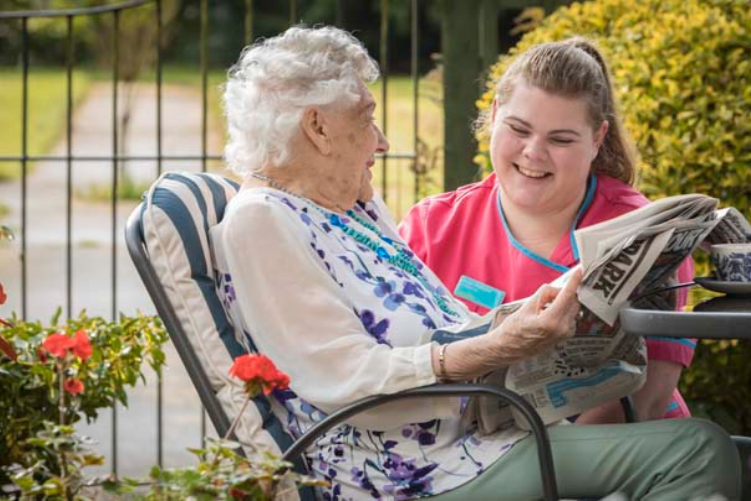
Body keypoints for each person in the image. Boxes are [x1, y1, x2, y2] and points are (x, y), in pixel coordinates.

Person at [211, 26, 739, 500]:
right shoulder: (264, 219)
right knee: (701, 451)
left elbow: (437, 330)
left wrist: (514, 327)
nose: (383, 140)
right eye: (367, 118)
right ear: (318, 129)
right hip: (415, 466)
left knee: (697, 447)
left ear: (595, 139)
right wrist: (499, 344)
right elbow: (349, 377)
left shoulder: (352, 210)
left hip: (473, 437)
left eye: (560, 138)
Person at [400, 38, 695, 424]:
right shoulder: (430, 226)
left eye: (560, 139)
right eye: (519, 129)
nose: (533, 152)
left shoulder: (647, 235)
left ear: (597, 138)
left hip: (613, 461)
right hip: (460, 461)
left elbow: (648, 400)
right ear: (493, 115)